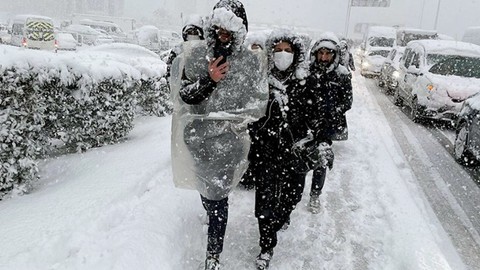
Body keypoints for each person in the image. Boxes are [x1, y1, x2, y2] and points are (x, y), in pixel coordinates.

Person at [169, 1, 268, 269]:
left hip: (230, 143)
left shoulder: (248, 62)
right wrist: (209, 80)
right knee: (207, 193)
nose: (224, 35)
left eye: (230, 30)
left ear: (240, 31)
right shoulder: (197, 56)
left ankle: (213, 255)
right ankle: (211, 215)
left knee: (218, 198)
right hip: (199, 142)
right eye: (219, 29)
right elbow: (184, 97)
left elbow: (257, 102)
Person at [248, 29, 333, 270]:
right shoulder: (260, 80)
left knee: (293, 195)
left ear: (296, 54)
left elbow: (320, 116)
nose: (282, 55)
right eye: (278, 50)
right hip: (265, 151)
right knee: (264, 203)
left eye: (288, 50)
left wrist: (322, 141)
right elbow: (249, 115)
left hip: (294, 154)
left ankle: (280, 218)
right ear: (270, 53)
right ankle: (266, 246)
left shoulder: (307, 82)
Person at [305, 32, 353, 214]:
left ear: (334, 55)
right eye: (321, 53)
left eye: (328, 54)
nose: (324, 57)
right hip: (305, 126)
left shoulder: (342, 75)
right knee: (299, 164)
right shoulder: (307, 72)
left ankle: (315, 195)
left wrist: (330, 113)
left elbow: (347, 102)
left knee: (321, 162)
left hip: (326, 127)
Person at [165, 14, 204, 79]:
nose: (192, 36)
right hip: (182, 86)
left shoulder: (205, 50)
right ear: (185, 34)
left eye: (195, 33)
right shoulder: (177, 50)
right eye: (189, 33)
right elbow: (170, 73)